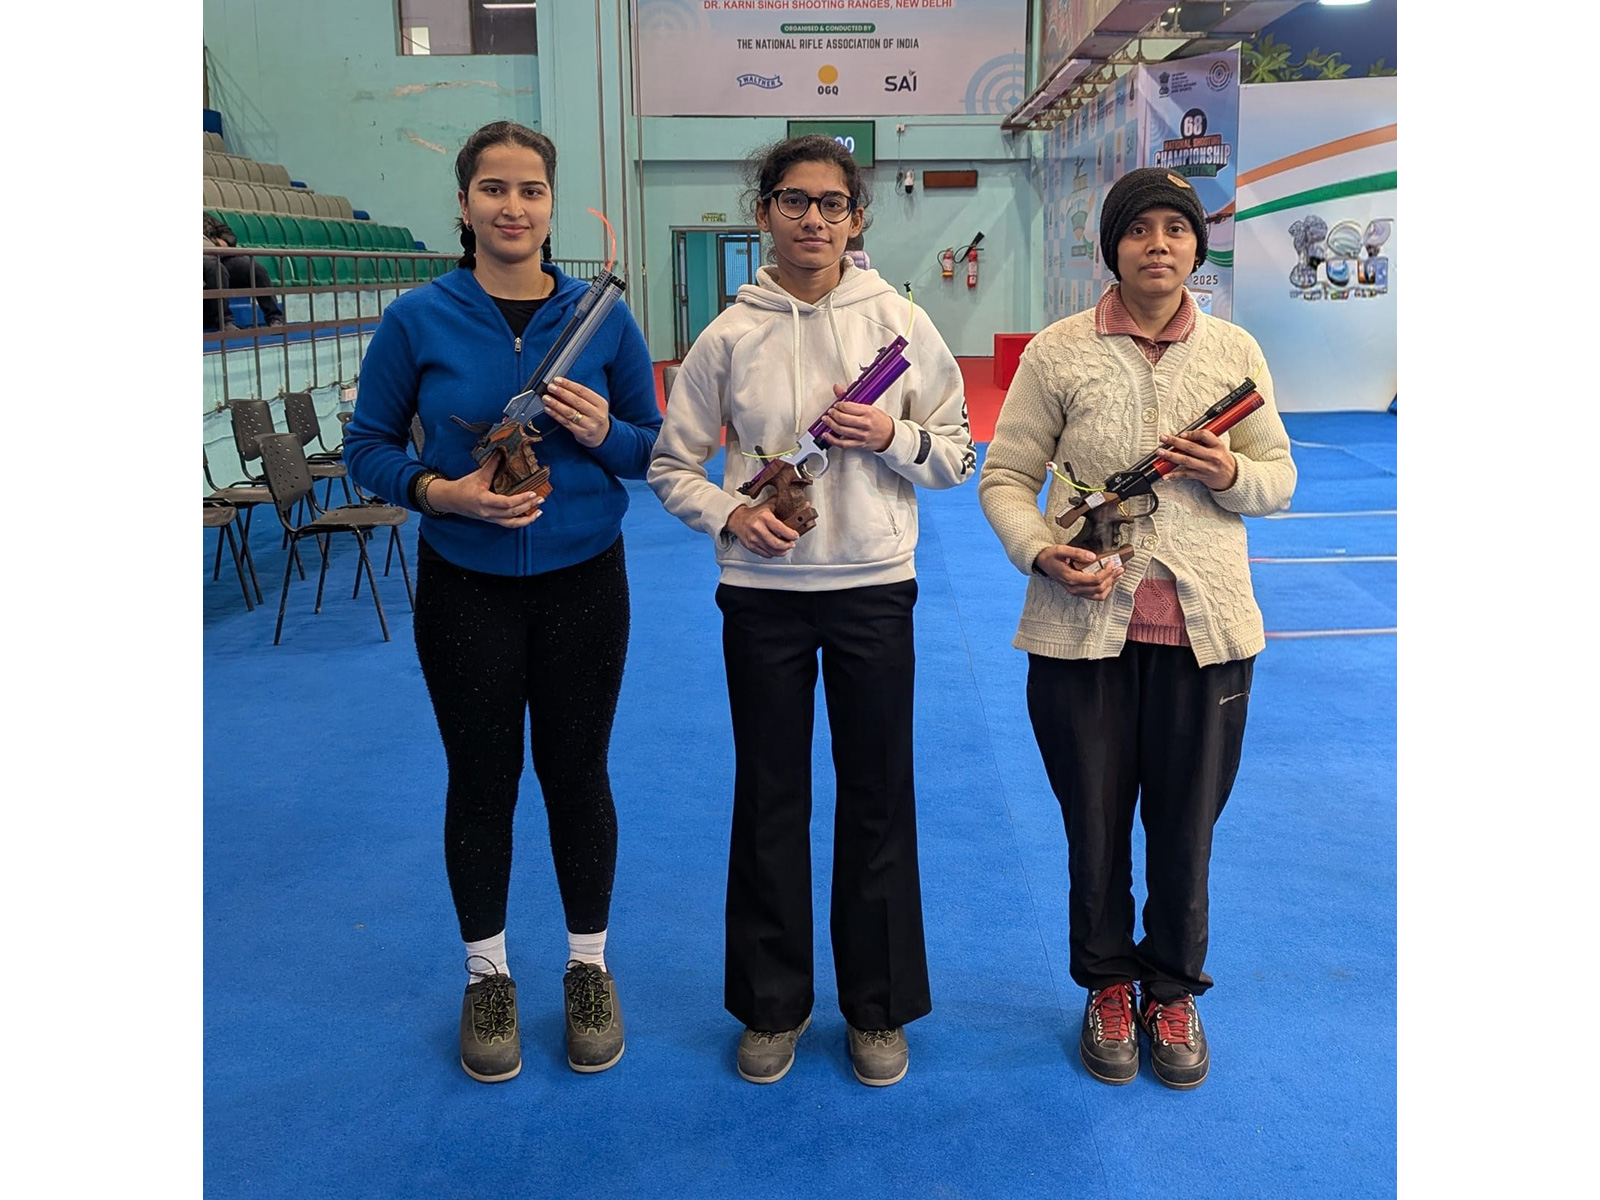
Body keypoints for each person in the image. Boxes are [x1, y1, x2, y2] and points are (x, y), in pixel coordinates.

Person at [648, 134, 976, 1088]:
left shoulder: (901, 323)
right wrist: (731, 513)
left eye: (832, 203)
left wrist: (893, 434)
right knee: (769, 798)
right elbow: (671, 464)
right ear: (764, 214)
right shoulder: (728, 334)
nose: (813, 220)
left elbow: (959, 452)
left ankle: (877, 1008)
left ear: (857, 217)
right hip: (763, 600)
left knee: (878, 797)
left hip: (873, 587)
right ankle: (772, 1006)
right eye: (793, 201)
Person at [342, 120, 662, 1084]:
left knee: (578, 775)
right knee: (480, 781)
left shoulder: (602, 320)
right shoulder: (418, 317)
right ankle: (487, 976)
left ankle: (588, 968)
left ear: (553, 204)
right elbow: (366, 448)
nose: (512, 207)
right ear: (464, 203)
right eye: (493, 188)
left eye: (530, 189)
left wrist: (605, 433)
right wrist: (442, 494)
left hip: (584, 581)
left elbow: (653, 449)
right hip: (464, 587)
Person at [977, 167, 1296, 1090]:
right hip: (1081, 637)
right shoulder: (1058, 352)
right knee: (1094, 825)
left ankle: (1174, 989)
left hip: (1208, 638)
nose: (1159, 245)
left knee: (1187, 830)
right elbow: (1007, 477)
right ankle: (1108, 986)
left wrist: (1231, 473)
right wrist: (1041, 550)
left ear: (1197, 247)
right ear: (1112, 247)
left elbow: (1278, 478)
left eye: (1176, 229)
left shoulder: (1235, 350)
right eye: (1139, 230)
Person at [203, 214, 285, 329]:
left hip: (220, 255)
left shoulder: (204, 217)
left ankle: (275, 318)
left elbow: (228, 234)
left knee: (254, 269)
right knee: (216, 269)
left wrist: (221, 241)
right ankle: (225, 322)